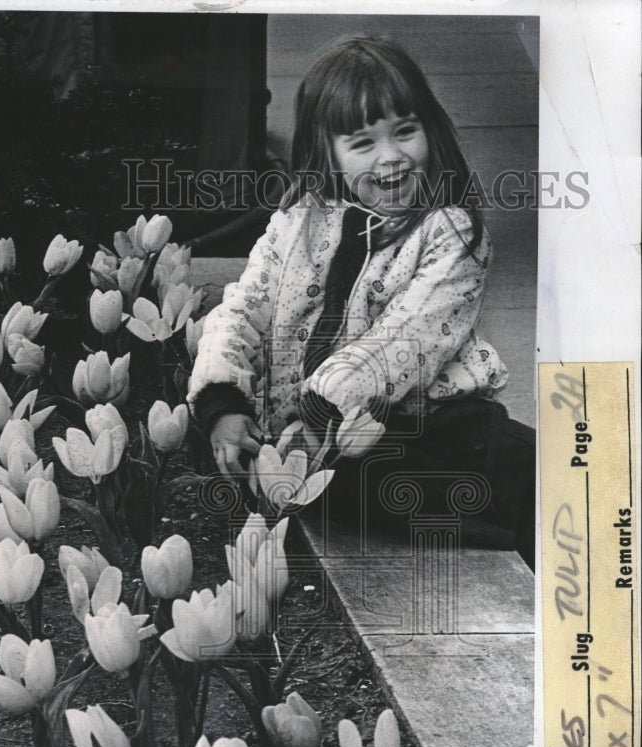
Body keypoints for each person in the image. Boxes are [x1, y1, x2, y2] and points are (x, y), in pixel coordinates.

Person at [187, 35, 535, 570]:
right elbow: (242, 308)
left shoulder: (450, 233)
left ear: (430, 129)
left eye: (404, 131)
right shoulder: (296, 223)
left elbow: (405, 339)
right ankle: (473, 520)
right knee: (337, 476)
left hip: (430, 419)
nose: (391, 156)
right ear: (326, 151)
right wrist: (221, 404)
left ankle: (528, 540)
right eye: (363, 142)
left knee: (545, 473)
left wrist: (318, 410)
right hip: (323, 443)